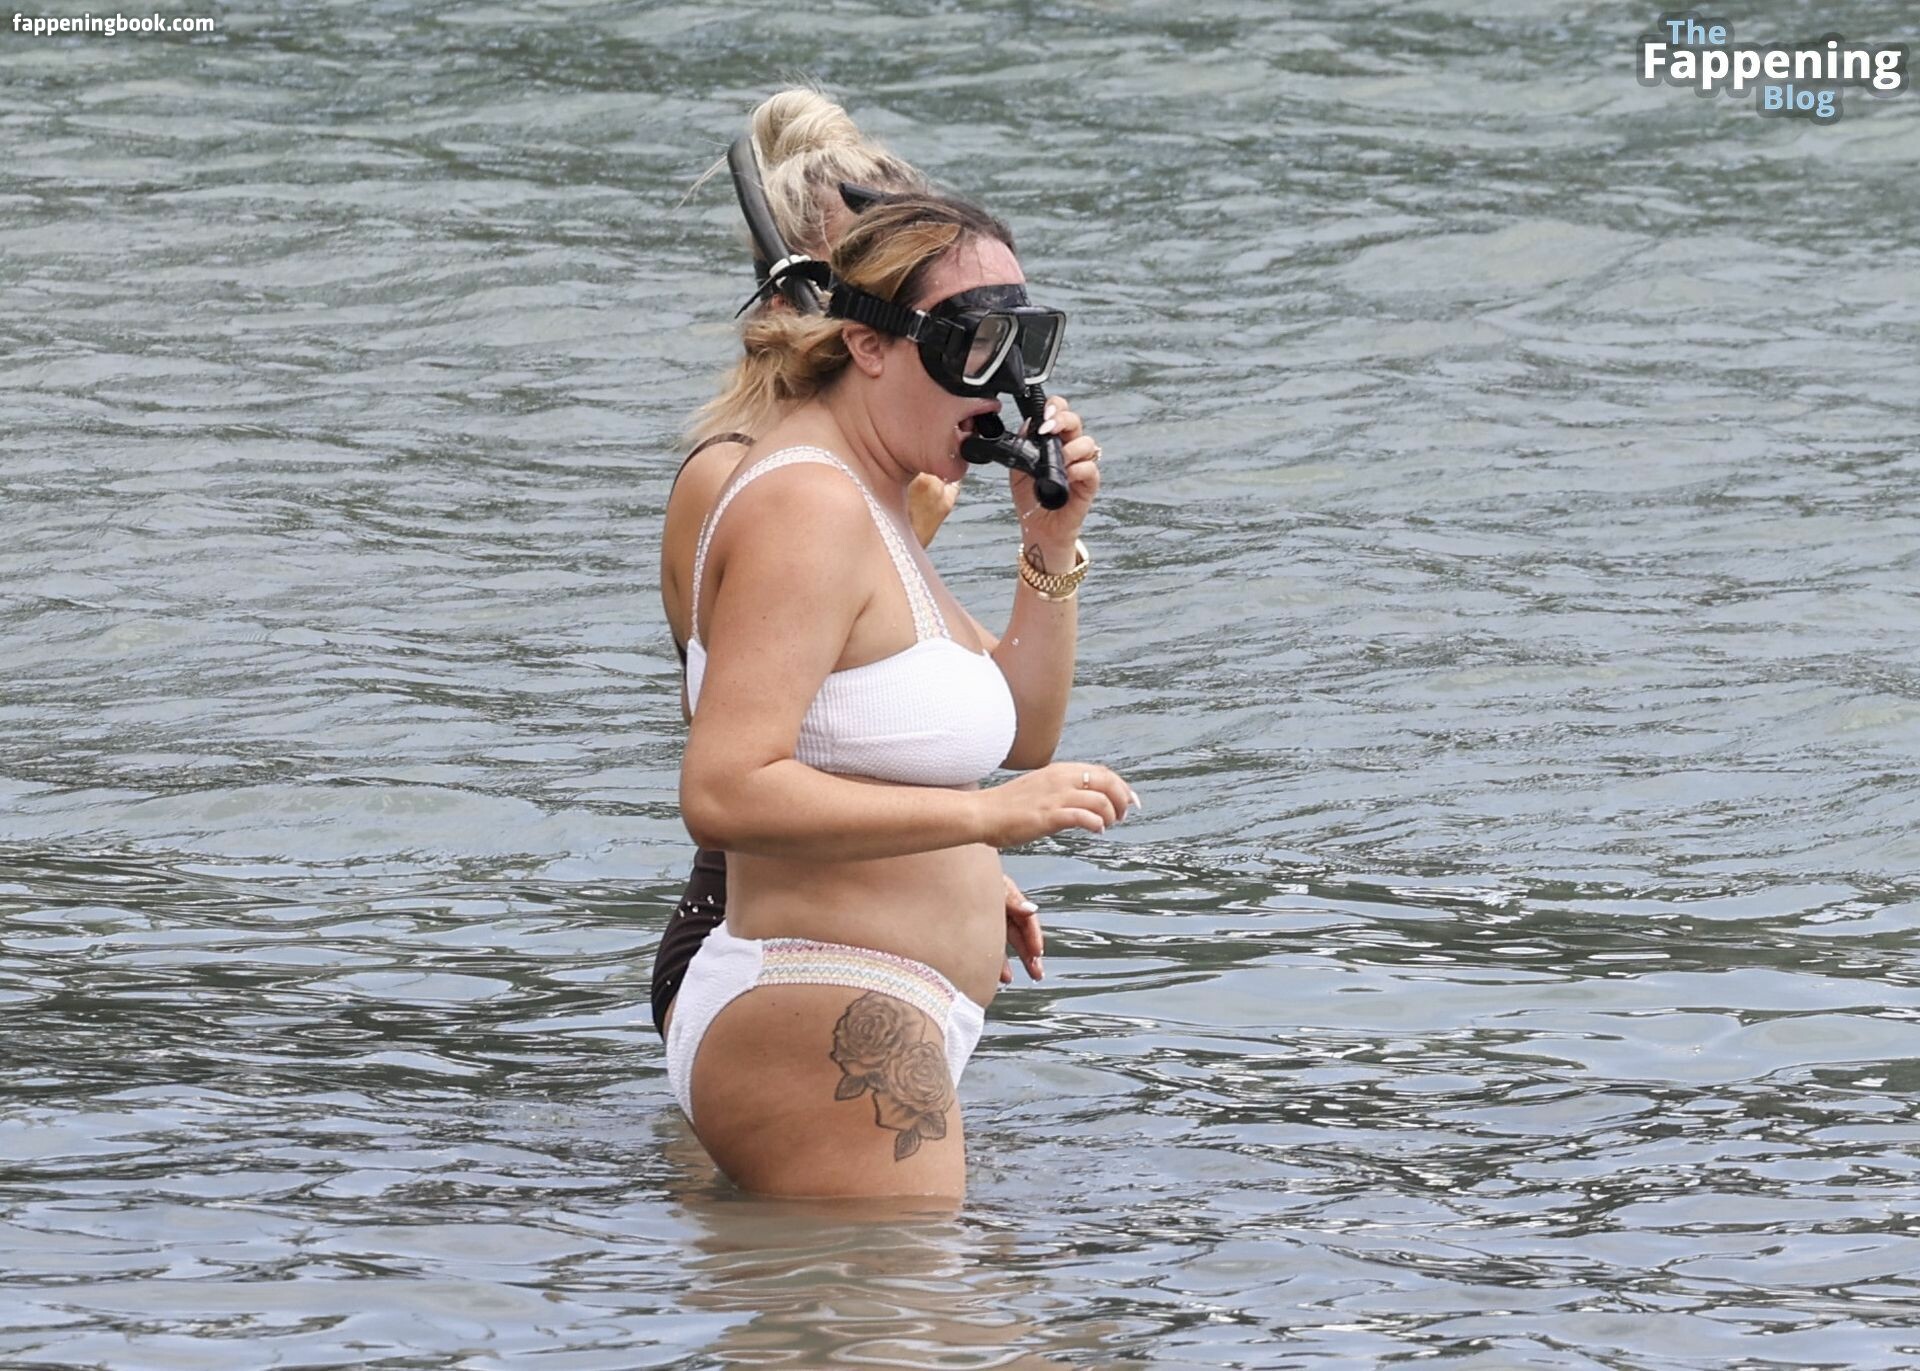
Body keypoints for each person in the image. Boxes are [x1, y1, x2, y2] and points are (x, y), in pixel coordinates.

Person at [668, 182, 1135, 1201]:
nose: (1002, 384)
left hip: (870, 1006)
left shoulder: (873, 499)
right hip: (820, 997)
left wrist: (1049, 545)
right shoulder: (809, 504)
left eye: (1022, 344)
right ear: (869, 344)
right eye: (974, 345)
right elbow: (724, 787)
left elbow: (1026, 732)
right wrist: (985, 821)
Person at [651, 89, 1042, 1041]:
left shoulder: (864, 479)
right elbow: (762, 729)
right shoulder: (752, 481)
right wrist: (969, 836)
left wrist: (1050, 548)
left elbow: (914, 718)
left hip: (859, 944)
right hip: (767, 932)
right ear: (810, 307)